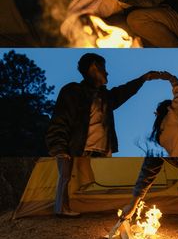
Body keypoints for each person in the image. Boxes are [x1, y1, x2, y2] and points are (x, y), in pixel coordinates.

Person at [46, 53, 160, 216]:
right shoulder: (73, 91)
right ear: (94, 67)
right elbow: (60, 120)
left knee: (87, 176)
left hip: (100, 150)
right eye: (104, 69)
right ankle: (61, 209)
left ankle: (93, 205)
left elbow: (123, 91)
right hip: (76, 147)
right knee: (65, 176)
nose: (107, 73)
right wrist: (59, 148)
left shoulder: (104, 97)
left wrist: (143, 79)